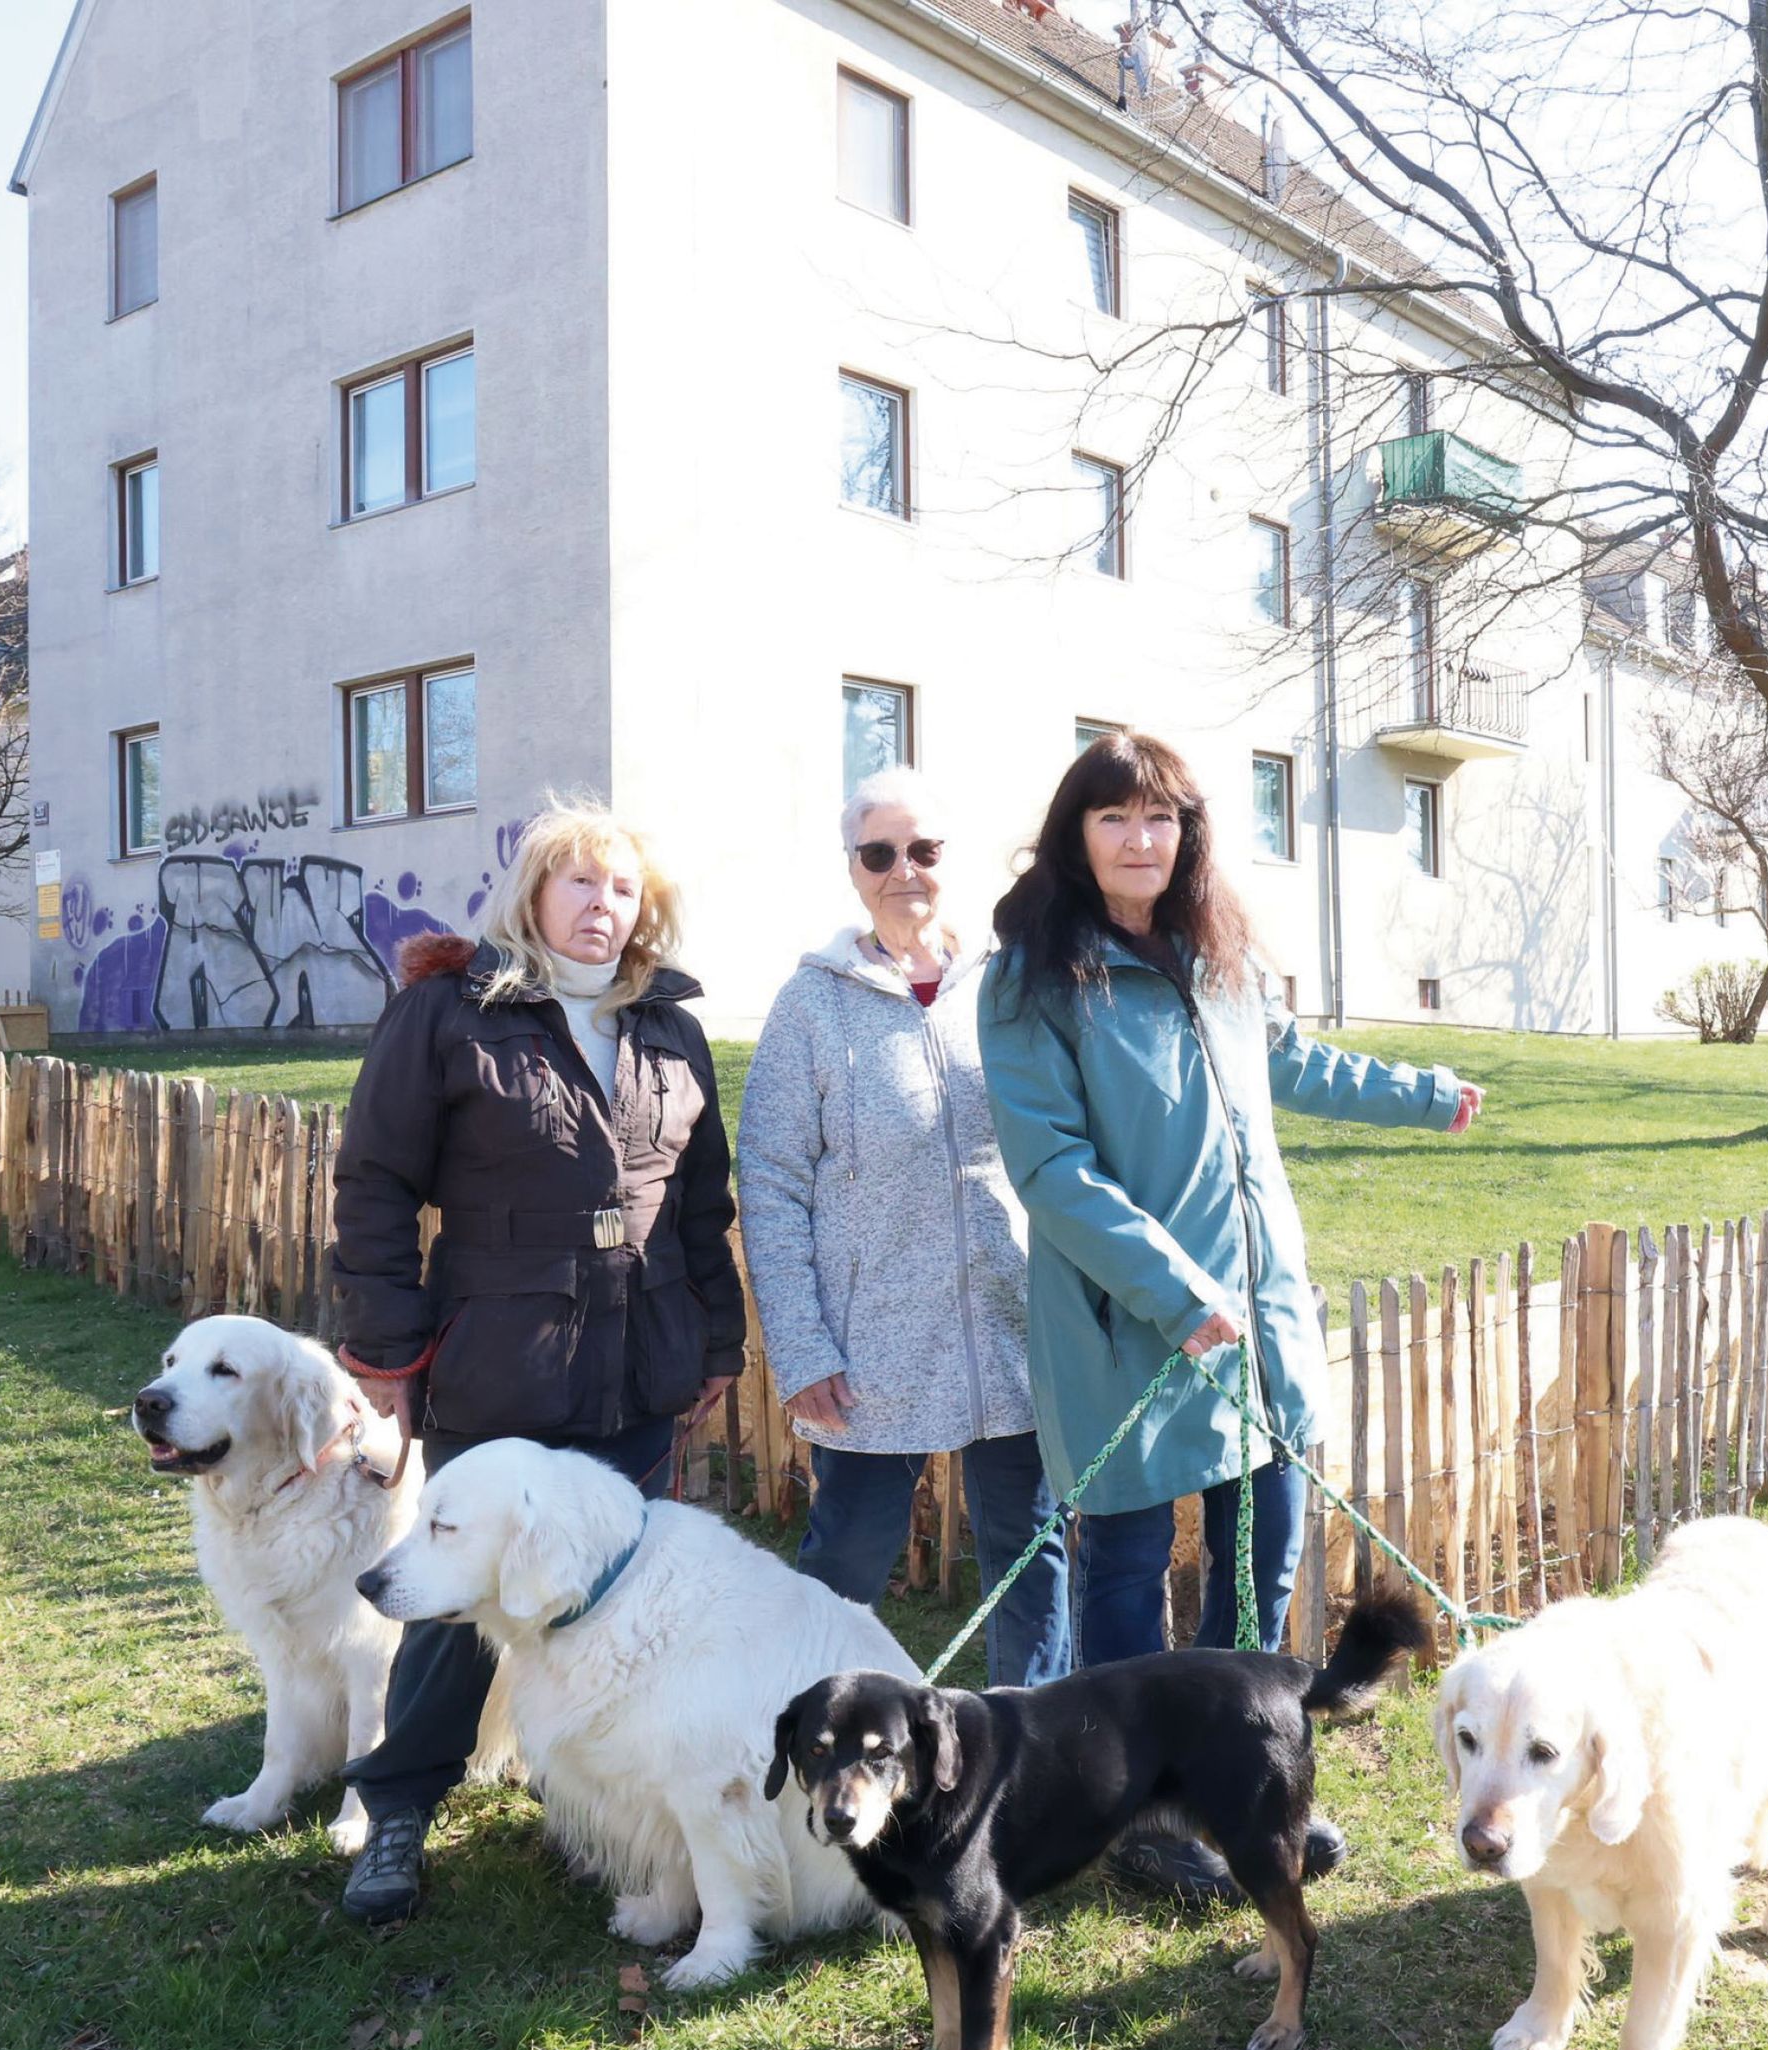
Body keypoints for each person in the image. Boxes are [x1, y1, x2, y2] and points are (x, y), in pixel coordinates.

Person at [978, 730, 1486, 1904]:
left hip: (1257, 1326)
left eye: (1159, 817)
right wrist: (1174, 1292)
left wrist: (1426, 1097)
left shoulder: (1218, 955)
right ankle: (1136, 1818)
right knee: (1127, 1572)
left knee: (1257, 1560)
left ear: (1188, 833)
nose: (1139, 839)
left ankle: (1245, 1782)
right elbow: (1051, 1169)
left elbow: (1293, 1064)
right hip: (1129, 1327)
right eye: (1113, 817)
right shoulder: (1032, 982)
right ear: (1075, 835)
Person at [323, 796, 746, 1926]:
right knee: (457, 1597)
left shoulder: (669, 1029)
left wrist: (716, 1339)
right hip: (501, 1359)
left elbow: (701, 1208)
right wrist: (388, 1345)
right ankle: (399, 1807)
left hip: (640, 1359)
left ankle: (589, 1804)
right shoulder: (449, 1014)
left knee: (612, 1596)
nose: (603, 905)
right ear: (533, 894)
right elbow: (374, 1184)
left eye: (623, 887)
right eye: (580, 881)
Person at [739, 765, 1069, 1689]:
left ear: (950, 859)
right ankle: (800, 1730)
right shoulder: (811, 1004)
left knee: (1031, 1559)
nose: (904, 870)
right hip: (869, 1346)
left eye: (923, 849)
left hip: (1010, 1330)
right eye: (879, 853)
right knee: (844, 1562)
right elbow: (769, 1182)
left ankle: (1034, 1746)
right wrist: (801, 1347)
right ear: (853, 869)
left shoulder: (1009, 987)